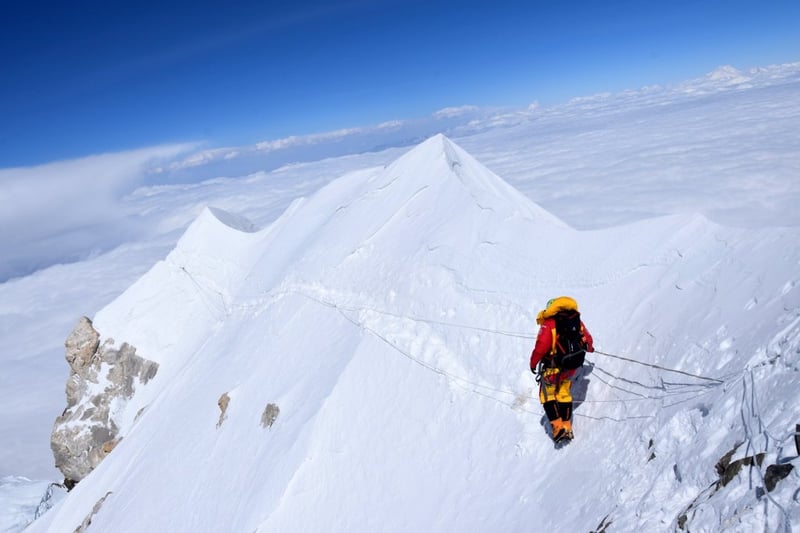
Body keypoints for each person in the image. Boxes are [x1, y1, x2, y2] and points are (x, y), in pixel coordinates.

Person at [529, 296, 594, 443]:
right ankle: (567, 427)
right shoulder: (576, 320)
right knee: (564, 393)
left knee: (547, 395)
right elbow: (588, 340)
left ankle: (558, 429)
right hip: (570, 367)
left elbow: (541, 347)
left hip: (552, 368)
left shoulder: (549, 323)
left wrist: (533, 363)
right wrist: (590, 348)